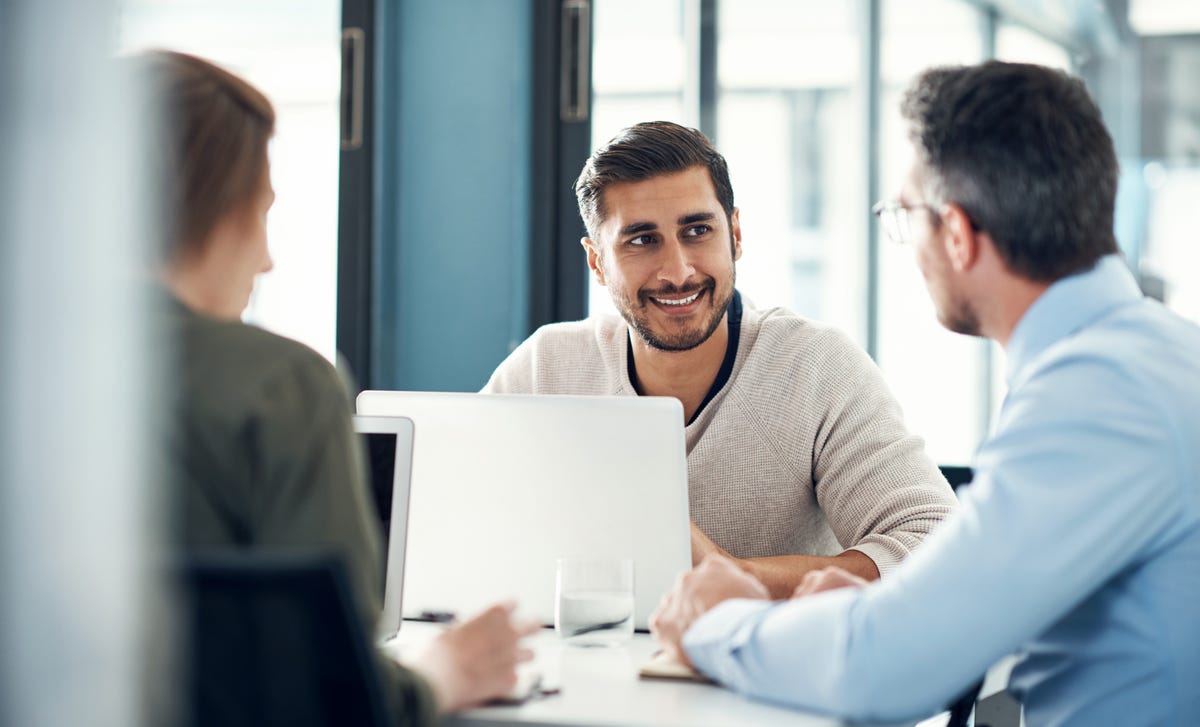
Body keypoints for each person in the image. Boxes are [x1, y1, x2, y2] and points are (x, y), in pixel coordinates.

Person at [650, 61, 1200, 726]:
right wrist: (859, 615)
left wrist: (716, 621)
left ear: (959, 234)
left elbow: (885, 670)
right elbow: (946, 613)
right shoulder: (1153, 355)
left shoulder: (1102, 396)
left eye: (906, 214)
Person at [146, 50, 537, 725]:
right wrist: (442, 672)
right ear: (213, 206)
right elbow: (341, 698)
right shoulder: (280, 386)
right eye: (261, 212)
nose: (266, 258)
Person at [484, 121, 957, 597]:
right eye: (642, 240)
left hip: (770, 666)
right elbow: (448, 514)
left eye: (697, 230)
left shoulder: (815, 366)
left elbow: (933, 543)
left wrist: (735, 579)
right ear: (597, 263)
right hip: (584, 661)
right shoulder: (546, 368)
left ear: (734, 233)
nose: (678, 272)